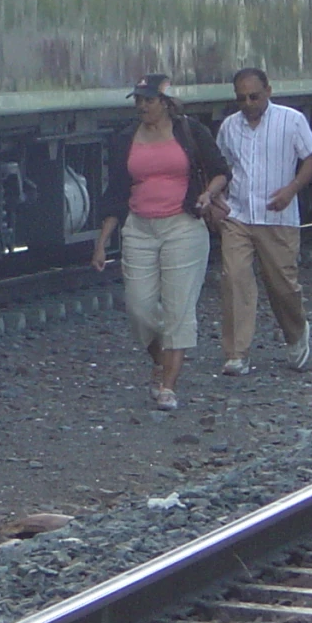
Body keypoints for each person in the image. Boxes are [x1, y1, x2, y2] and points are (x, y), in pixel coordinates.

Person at [94, 75, 230, 412]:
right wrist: (102, 241)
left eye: (148, 100)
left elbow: (220, 170)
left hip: (182, 226)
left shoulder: (190, 132)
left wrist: (208, 194)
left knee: (177, 309)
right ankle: (160, 358)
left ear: (166, 103)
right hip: (139, 228)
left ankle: (168, 385)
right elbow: (116, 192)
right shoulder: (126, 138)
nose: (141, 106)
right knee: (139, 308)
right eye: (138, 100)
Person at [213, 68, 312, 376]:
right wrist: (218, 198)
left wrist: (291, 190)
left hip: (278, 216)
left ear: (268, 91)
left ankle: (296, 332)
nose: (247, 103)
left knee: (283, 286)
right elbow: (223, 165)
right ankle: (236, 352)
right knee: (234, 278)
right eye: (241, 98)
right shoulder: (229, 127)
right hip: (239, 215)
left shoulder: (292, 120)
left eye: (253, 96)